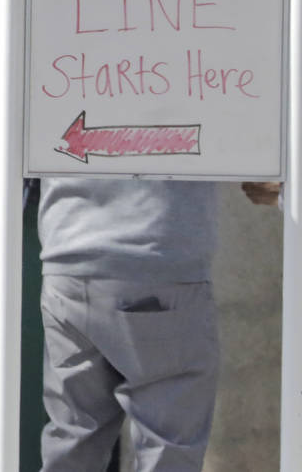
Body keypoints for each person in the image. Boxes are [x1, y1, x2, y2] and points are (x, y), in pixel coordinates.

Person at [38, 178, 220, 471]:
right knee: (167, 446)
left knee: (74, 438)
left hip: (67, 253)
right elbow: (238, 142)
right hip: (158, 251)